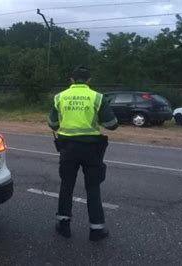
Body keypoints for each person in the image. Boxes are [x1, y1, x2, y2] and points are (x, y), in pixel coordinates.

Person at [48, 66, 118, 241]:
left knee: (66, 185)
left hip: (67, 148)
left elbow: (52, 124)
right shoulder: (97, 97)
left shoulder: (59, 97)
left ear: (71, 79)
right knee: (93, 187)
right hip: (92, 149)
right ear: (89, 80)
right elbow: (112, 124)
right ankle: (96, 229)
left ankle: (63, 225)